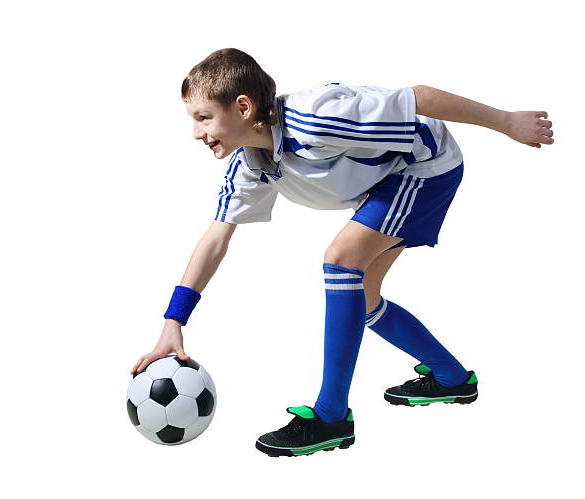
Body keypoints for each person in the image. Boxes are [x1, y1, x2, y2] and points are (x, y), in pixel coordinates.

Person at [130, 48, 554, 457]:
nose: (196, 133)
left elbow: (418, 98)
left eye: (203, 118)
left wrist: (507, 122)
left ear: (243, 107)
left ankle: (330, 418)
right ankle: (451, 378)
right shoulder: (249, 164)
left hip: (425, 164)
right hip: (384, 180)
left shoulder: (318, 118)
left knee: (340, 262)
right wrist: (173, 322)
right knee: (363, 296)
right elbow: (215, 241)